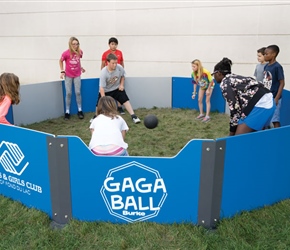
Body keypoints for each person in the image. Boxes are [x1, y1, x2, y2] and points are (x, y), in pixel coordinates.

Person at [212, 57, 275, 136]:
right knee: (251, 136)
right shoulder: (234, 78)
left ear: (218, 73)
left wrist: (231, 133)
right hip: (268, 100)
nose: (214, 77)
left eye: (213, 74)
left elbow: (234, 109)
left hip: (261, 104)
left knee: (238, 139)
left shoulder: (225, 83)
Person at [97, 53, 141, 124]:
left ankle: (134, 116)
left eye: (116, 63)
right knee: (99, 105)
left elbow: (122, 76)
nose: (115, 65)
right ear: (107, 63)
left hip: (116, 88)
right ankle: (96, 118)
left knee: (125, 99)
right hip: (106, 90)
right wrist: (104, 100)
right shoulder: (103, 72)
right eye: (113, 63)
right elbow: (101, 88)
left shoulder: (119, 67)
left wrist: (121, 85)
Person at [59, 36, 85, 120]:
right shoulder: (66, 53)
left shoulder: (80, 52)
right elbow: (60, 61)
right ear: (70, 44)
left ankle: (80, 110)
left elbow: (78, 61)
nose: (75, 46)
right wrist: (62, 71)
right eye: (73, 44)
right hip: (68, 75)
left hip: (77, 74)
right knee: (68, 93)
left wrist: (80, 67)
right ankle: (67, 112)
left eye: (77, 44)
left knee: (77, 92)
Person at [101, 37, 125, 115]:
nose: (114, 46)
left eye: (115, 44)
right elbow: (102, 64)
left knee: (119, 91)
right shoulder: (105, 53)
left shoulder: (120, 52)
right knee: (108, 92)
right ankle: (107, 108)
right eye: (112, 44)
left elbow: (122, 63)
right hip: (109, 76)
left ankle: (120, 107)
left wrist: (121, 74)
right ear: (109, 44)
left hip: (117, 75)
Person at [263, 45, 285, 128]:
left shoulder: (277, 67)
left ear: (273, 54)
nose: (265, 55)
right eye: (264, 54)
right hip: (266, 97)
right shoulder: (266, 66)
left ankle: (278, 136)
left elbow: (282, 83)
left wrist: (276, 98)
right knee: (265, 118)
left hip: (275, 97)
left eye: (266, 54)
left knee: (275, 119)